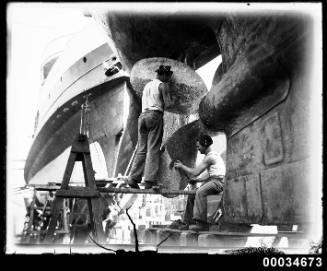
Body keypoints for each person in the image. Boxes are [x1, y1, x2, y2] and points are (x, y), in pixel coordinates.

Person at [127, 65, 173, 189]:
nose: (169, 79)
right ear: (163, 75)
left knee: (141, 149)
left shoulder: (147, 86)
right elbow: (168, 104)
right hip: (155, 115)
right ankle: (149, 180)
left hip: (142, 117)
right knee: (153, 148)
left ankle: (132, 178)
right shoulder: (162, 85)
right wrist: (174, 99)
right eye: (168, 76)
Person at [173, 134, 225, 231]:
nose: (198, 149)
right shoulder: (213, 156)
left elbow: (195, 172)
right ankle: (188, 221)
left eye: (198, 146)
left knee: (200, 192)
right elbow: (210, 174)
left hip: (219, 183)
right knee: (192, 195)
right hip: (214, 180)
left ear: (205, 144)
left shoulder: (210, 157)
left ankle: (202, 224)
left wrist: (182, 166)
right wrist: (197, 180)